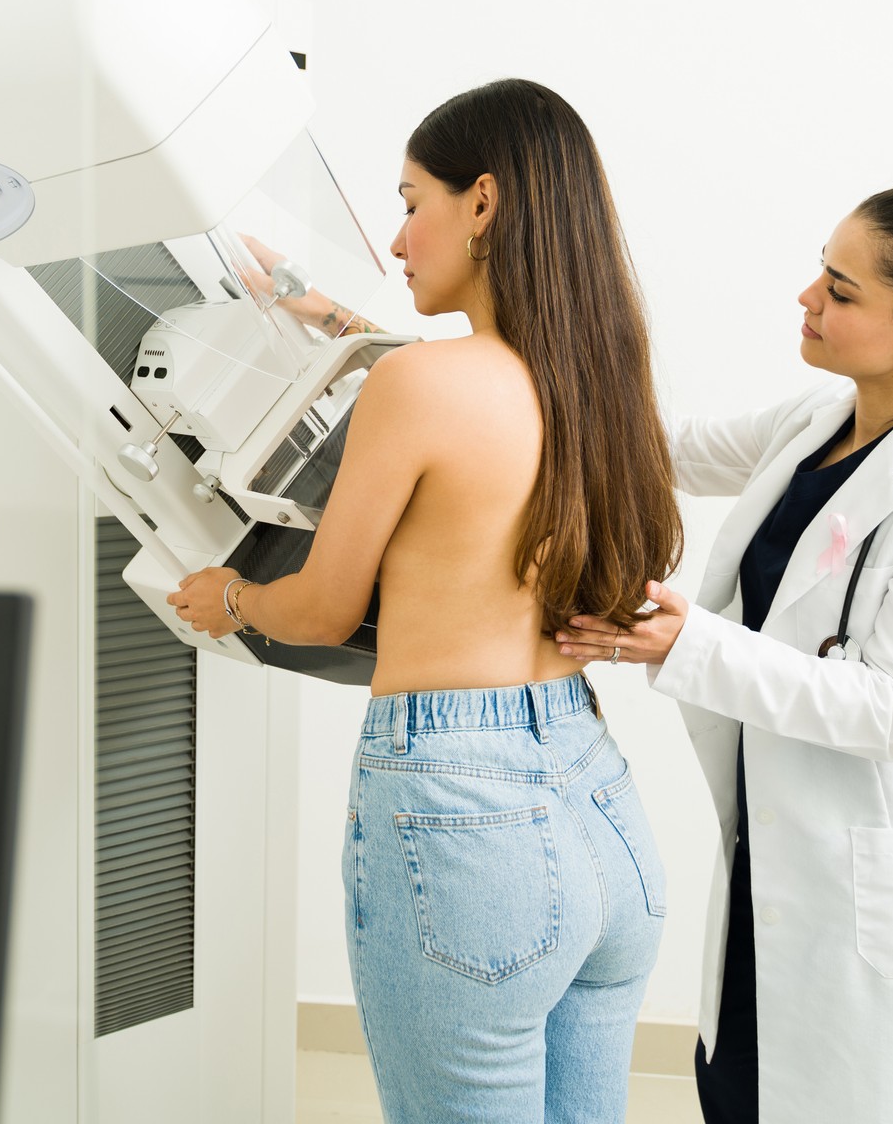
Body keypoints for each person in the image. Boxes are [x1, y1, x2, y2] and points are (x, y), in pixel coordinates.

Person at [168, 79, 682, 1122]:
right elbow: (456, 400)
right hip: (600, 807)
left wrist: (228, 595)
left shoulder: (419, 388)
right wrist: (322, 309)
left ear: (482, 202)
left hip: (468, 821)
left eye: (411, 202)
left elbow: (317, 609)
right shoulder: (598, 375)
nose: (399, 238)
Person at [556, 182, 893, 1123]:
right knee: (737, 1088)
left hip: (872, 886)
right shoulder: (819, 422)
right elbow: (663, 449)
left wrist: (686, 638)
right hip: (768, 856)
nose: (808, 296)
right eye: (822, 267)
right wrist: (495, 361)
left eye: (843, 290)